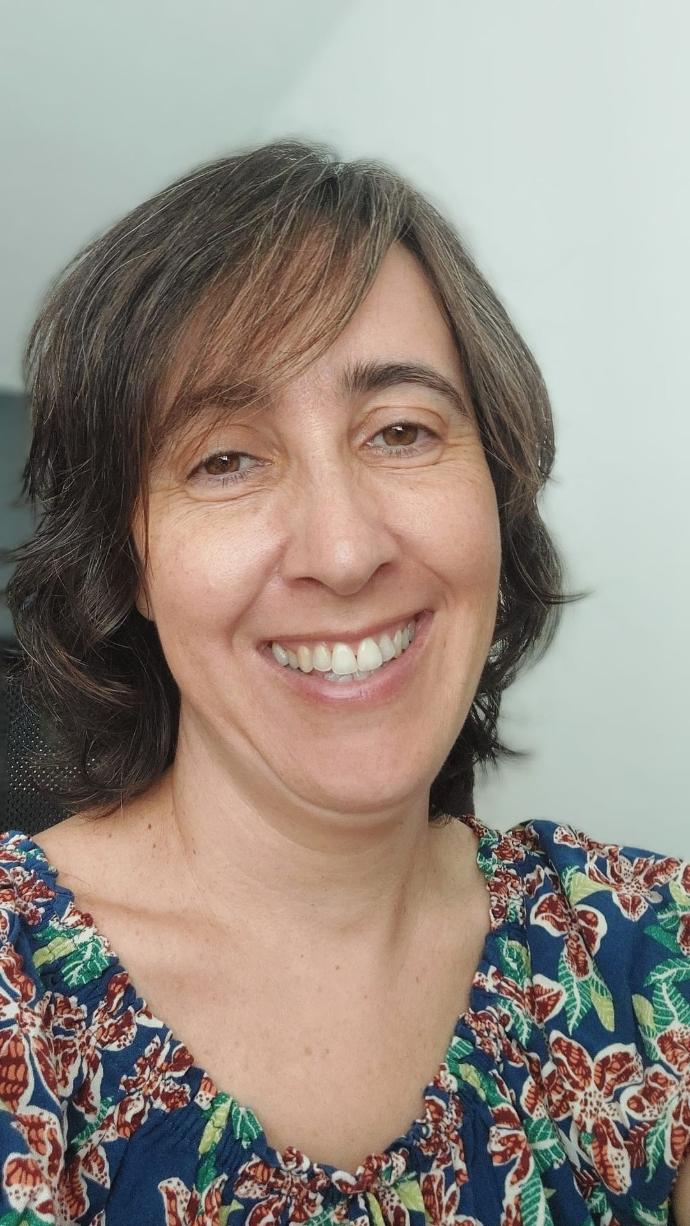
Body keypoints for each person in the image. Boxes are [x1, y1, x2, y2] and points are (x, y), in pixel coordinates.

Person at [1, 138, 689, 1225]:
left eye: (401, 431)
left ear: (496, 489)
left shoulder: (652, 958)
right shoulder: (17, 997)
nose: (344, 549)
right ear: (127, 560)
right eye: (226, 458)